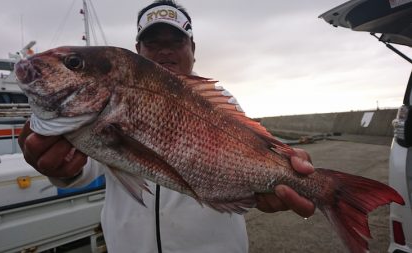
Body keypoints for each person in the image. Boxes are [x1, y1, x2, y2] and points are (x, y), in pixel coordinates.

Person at [19, 1, 315, 252]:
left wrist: (283, 167)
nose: (165, 51)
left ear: (192, 47)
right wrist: (59, 167)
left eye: (175, 41)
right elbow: (83, 169)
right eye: (153, 42)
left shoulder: (221, 101)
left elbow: (249, 152)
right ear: (138, 49)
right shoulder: (100, 110)